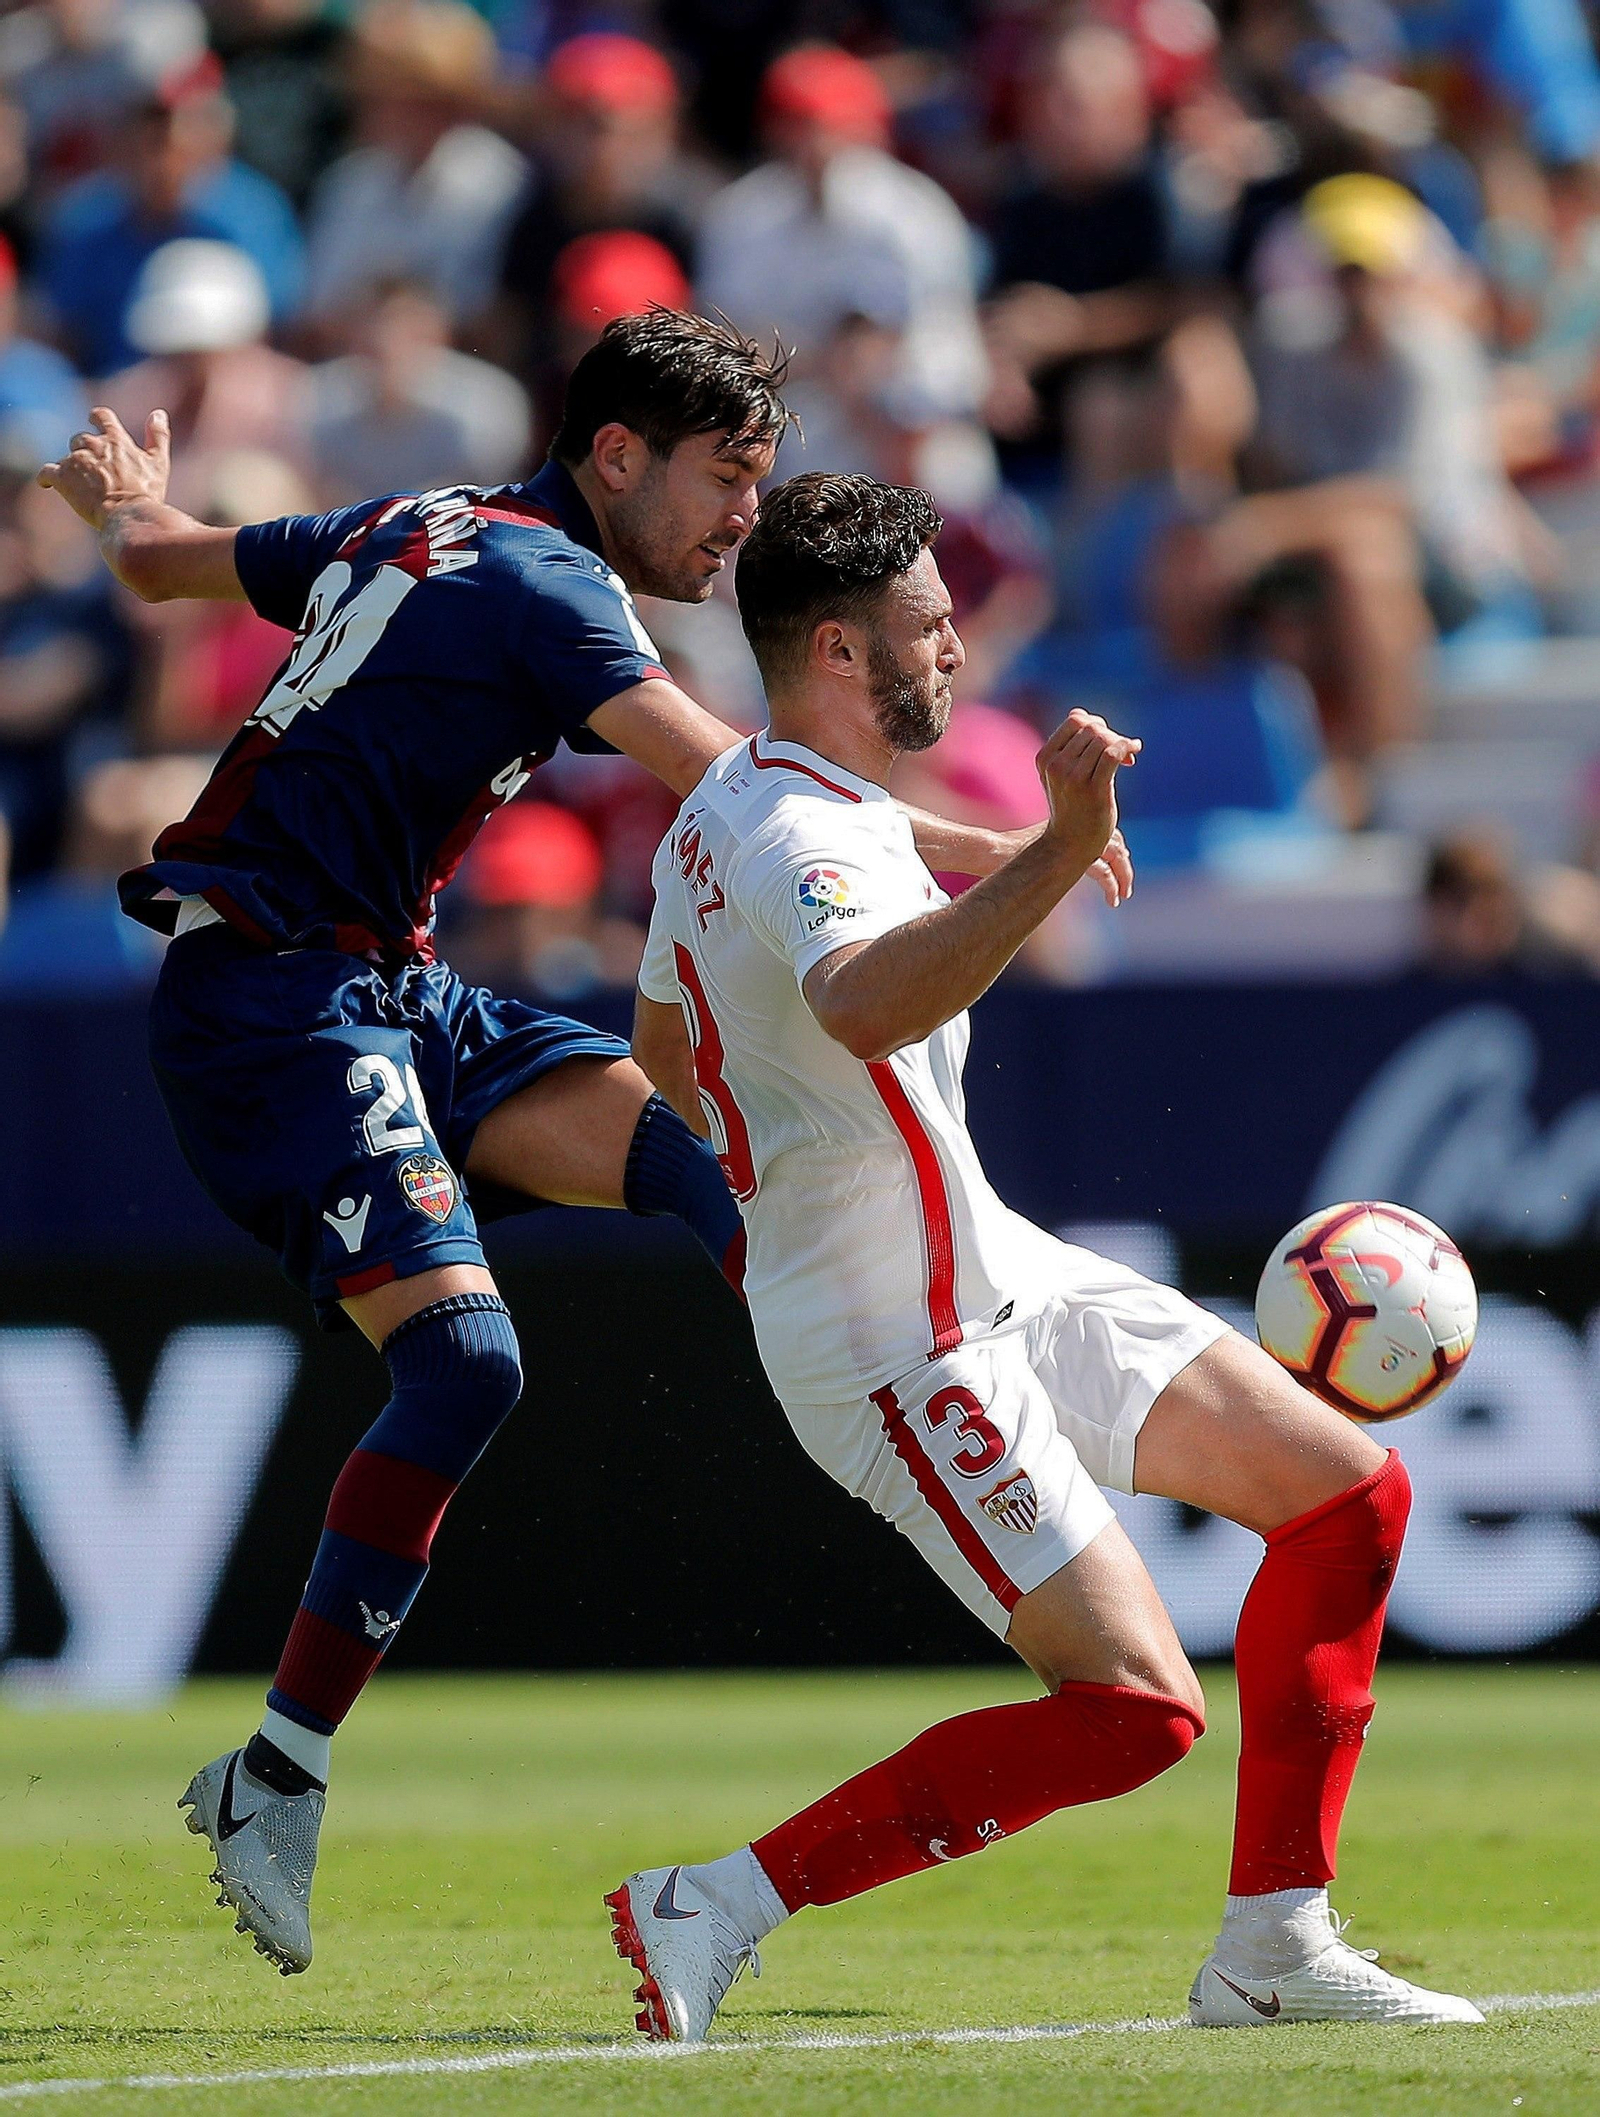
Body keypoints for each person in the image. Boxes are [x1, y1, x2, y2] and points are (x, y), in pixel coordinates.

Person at [36, 309, 1030, 1979]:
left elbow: (160, 567)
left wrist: (125, 499)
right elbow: (733, 783)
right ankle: (274, 1772)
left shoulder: (408, 522)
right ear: (617, 455)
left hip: (392, 987)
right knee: (469, 1366)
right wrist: (1012, 849)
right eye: (725, 477)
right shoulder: (549, 582)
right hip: (274, 1008)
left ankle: (925, 1435)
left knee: (719, 1168)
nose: (741, 519)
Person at [612, 470, 1485, 2040]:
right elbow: (865, 1001)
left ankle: (1275, 1942)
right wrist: (1055, 843)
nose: (956, 652)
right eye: (928, 628)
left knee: (1350, 1496)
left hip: (992, 1267)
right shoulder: (800, 830)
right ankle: (719, 1897)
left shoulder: (746, 798)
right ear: (834, 649)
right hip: (898, 1345)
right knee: (1140, 1708)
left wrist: (766, 1155)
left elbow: (662, 1032)